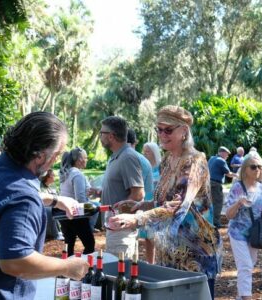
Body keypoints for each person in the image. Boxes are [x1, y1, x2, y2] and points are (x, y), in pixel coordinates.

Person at [0, 112, 88, 299]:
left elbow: (1, 198)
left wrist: (54, 200)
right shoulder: (24, 200)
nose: (56, 160)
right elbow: (15, 262)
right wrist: (67, 267)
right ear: (41, 156)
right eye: (57, 154)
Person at [107, 105, 222, 300]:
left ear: (184, 131)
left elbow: (179, 203)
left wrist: (138, 220)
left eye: (168, 130)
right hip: (167, 250)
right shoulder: (168, 160)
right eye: (158, 129)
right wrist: (143, 205)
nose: (162, 134)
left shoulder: (195, 160)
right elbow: (165, 199)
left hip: (195, 253)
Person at [225, 152, 262, 300]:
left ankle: (240, 296)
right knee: (246, 266)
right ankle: (247, 297)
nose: (257, 169)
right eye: (253, 167)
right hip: (237, 233)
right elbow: (228, 214)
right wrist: (238, 203)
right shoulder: (237, 187)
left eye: (259, 166)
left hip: (254, 233)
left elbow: (261, 212)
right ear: (245, 169)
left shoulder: (260, 188)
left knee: (249, 266)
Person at [93, 116, 144, 258]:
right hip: (115, 227)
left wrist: (119, 218)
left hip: (121, 229)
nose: (100, 136)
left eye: (101, 133)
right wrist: (102, 193)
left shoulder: (127, 157)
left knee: (121, 273)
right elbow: (121, 188)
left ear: (111, 136)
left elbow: (138, 194)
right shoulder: (117, 156)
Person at [59, 147, 96, 257]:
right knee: (89, 244)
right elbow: (80, 199)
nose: (87, 160)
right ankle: (85, 270)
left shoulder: (66, 172)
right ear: (80, 159)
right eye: (86, 158)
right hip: (76, 215)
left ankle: (65, 271)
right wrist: (91, 209)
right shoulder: (77, 174)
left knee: (68, 245)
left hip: (63, 213)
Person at [127, 128, 155, 264]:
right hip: (144, 202)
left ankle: (150, 263)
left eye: (148, 150)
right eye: (144, 150)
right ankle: (136, 262)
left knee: (148, 236)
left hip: (146, 203)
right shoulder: (140, 160)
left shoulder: (137, 160)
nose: (145, 152)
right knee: (137, 236)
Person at [208, 146, 237, 228]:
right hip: (216, 184)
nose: (227, 156)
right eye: (227, 154)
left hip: (208, 183)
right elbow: (229, 174)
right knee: (218, 203)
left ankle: (209, 221)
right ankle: (216, 223)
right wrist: (238, 175)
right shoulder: (221, 161)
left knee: (211, 203)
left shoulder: (212, 158)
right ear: (223, 153)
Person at [40, 169, 64, 241]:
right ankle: (55, 234)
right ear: (47, 177)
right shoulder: (41, 187)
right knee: (49, 209)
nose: (54, 176)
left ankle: (61, 231)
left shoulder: (49, 187)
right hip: (44, 209)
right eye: (53, 175)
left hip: (50, 208)